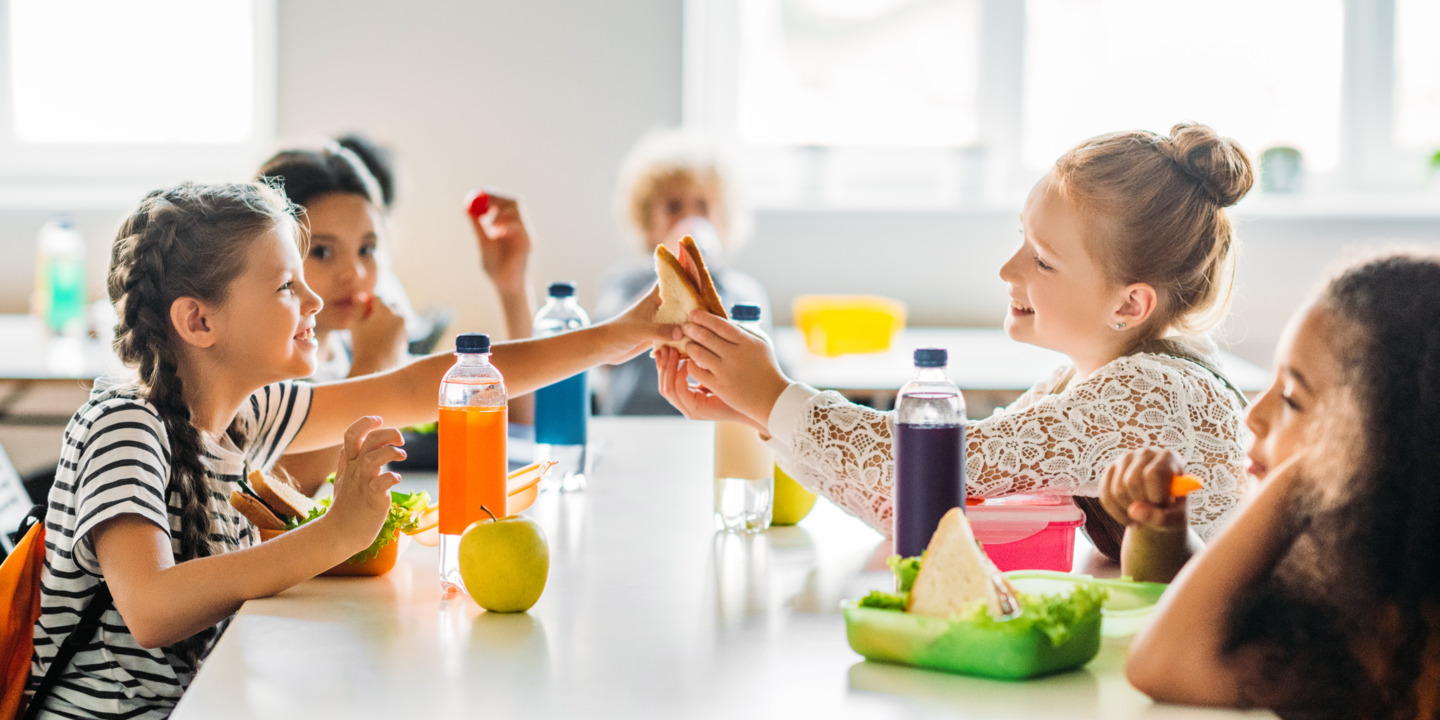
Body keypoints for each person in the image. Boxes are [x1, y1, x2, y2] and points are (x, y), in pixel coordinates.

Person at [25, 181, 671, 719]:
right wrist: (335, 534)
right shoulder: (124, 424)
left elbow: (424, 384)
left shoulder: (245, 415)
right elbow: (153, 607)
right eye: (285, 287)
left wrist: (617, 338)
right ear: (199, 321)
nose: (312, 300)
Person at [658, 123, 1254, 554]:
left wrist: (772, 396)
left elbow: (944, 467)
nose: (1008, 271)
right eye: (1021, 239)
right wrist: (758, 408)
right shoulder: (1079, 381)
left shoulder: (1149, 395)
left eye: (1042, 261)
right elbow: (925, 507)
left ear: (1130, 304)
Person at [1125, 253, 1440, 718]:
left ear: (1388, 450)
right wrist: (1166, 536)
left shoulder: (1384, 641)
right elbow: (1222, 610)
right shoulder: (1343, 577)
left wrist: (1303, 474)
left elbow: (1165, 661)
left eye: (1293, 398)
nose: (1254, 414)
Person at [258, 143, 538, 491]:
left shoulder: (350, 344)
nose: (355, 273)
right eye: (323, 251)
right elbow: (279, 494)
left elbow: (514, 425)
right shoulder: (262, 368)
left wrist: (511, 288)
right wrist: (374, 363)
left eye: (367, 249)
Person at [594, 129, 770, 415]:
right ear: (648, 223)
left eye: (702, 206)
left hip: (712, 429)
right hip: (635, 424)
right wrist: (672, 278)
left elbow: (765, 370)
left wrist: (706, 282)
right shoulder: (625, 283)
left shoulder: (743, 291)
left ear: (723, 221)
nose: (690, 219)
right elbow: (603, 347)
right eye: (674, 207)